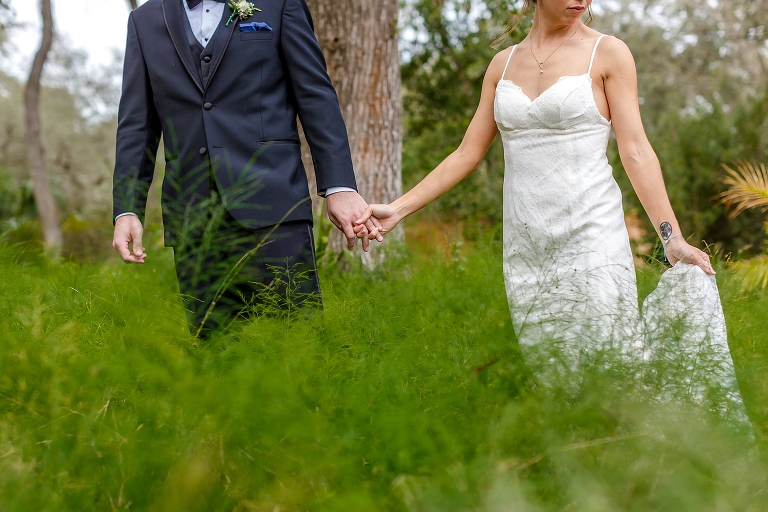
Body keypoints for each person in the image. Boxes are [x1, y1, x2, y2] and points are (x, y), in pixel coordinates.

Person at [356, 0, 744, 407]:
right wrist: (398, 208)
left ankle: (650, 458)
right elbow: (466, 154)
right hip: (527, 252)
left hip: (593, 239)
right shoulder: (501, 66)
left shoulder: (608, 53)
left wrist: (671, 238)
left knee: (613, 368)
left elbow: (636, 151)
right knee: (558, 382)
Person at [111, 0, 381, 337]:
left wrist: (339, 186)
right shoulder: (144, 20)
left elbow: (315, 97)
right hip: (193, 217)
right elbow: (137, 124)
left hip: (275, 205)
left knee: (298, 343)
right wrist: (126, 208)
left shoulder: (279, 4)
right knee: (214, 352)